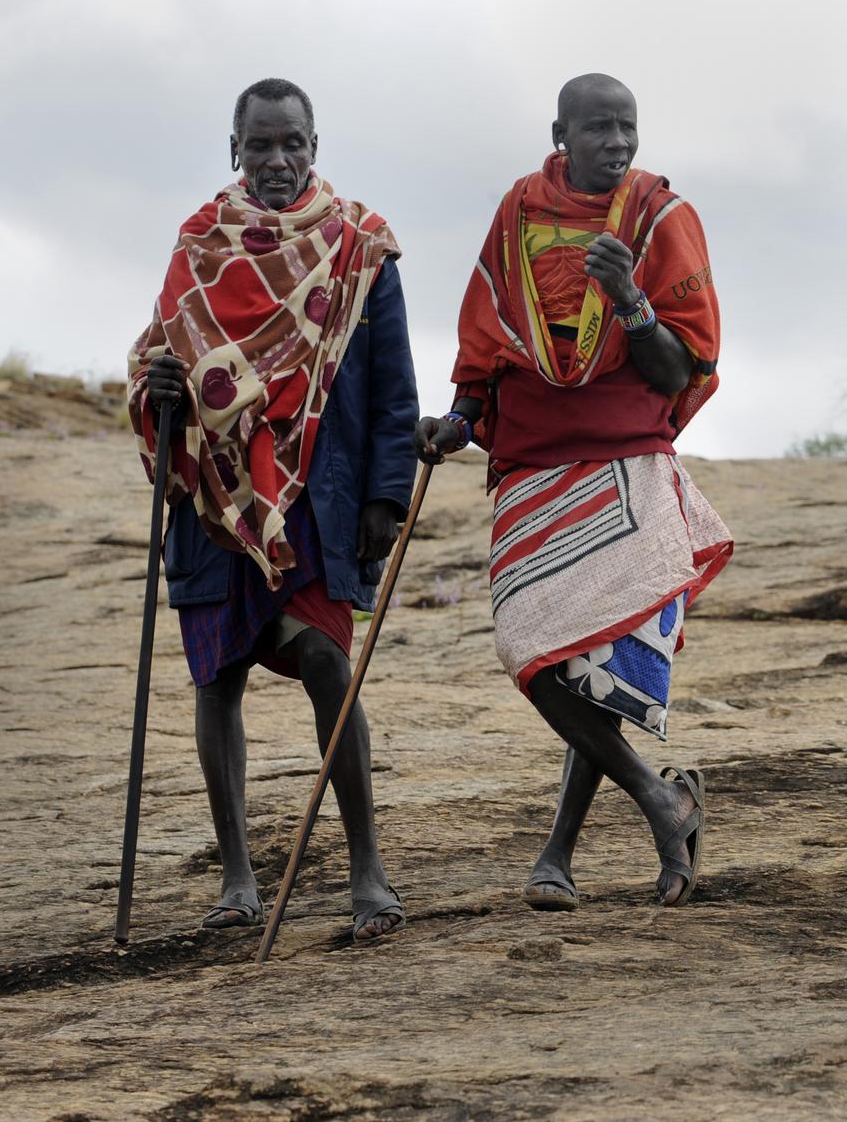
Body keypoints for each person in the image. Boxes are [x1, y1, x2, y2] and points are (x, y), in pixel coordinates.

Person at [414, 73, 731, 909]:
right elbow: (486, 340)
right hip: (530, 462)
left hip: (624, 457)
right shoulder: (520, 212)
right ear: (561, 133)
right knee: (533, 648)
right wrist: (456, 420)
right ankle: (663, 799)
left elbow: (681, 369)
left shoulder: (661, 219)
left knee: (598, 666)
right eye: (598, 129)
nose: (618, 144)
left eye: (628, 128)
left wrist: (628, 298)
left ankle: (559, 853)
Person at [128, 77, 416, 940]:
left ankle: (367, 870)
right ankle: (238, 878)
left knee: (330, 665)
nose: (278, 160)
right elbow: (156, 362)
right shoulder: (198, 247)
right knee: (217, 683)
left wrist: (385, 496)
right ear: (234, 152)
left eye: (293, 143)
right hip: (216, 507)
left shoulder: (360, 249)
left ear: (315, 146)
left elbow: (394, 389)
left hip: (317, 503)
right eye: (260, 145)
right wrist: (164, 389)